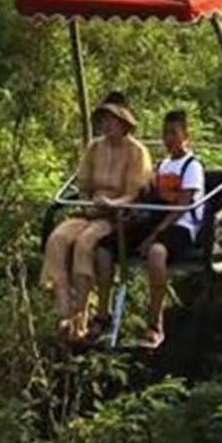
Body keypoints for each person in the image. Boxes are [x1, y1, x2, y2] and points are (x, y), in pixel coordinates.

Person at [41, 97, 152, 341]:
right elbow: (83, 184)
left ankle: (81, 314)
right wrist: (86, 202)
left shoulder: (136, 153)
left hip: (117, 215)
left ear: (123, 123)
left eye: (111, 120)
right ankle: (63, 308)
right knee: (58, 238)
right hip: (90, 209)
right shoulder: (94, 148)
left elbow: (133, 194)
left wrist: (112, 204)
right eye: (104, 120)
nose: (106, 125)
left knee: (86, 243)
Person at [136, 109, 206, 350]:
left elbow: (182, 206)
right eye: (165, 133)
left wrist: (154, 235)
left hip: (182, 225)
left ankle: (155, 322)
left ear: (186, 135)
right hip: (160, 221)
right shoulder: (162, 165)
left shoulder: (192, 166)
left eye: (174, 133)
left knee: (156, 252)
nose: (169, 138)